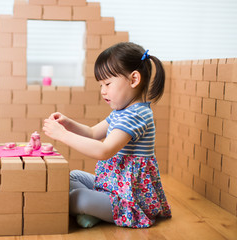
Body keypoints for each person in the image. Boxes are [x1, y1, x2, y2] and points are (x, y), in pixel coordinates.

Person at [43, 42, 171, 228]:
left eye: (108, 83)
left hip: (129, 198)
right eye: (101, 84)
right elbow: (93, 133)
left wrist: (63, 136)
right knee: (72, 176)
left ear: (134, 79)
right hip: (113, 185)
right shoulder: (121, 112)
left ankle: (93, 209)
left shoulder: (136, 115)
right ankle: (95, 210)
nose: (103, 91)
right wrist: (67, 123)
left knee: (76, 197)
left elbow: (104, 150)